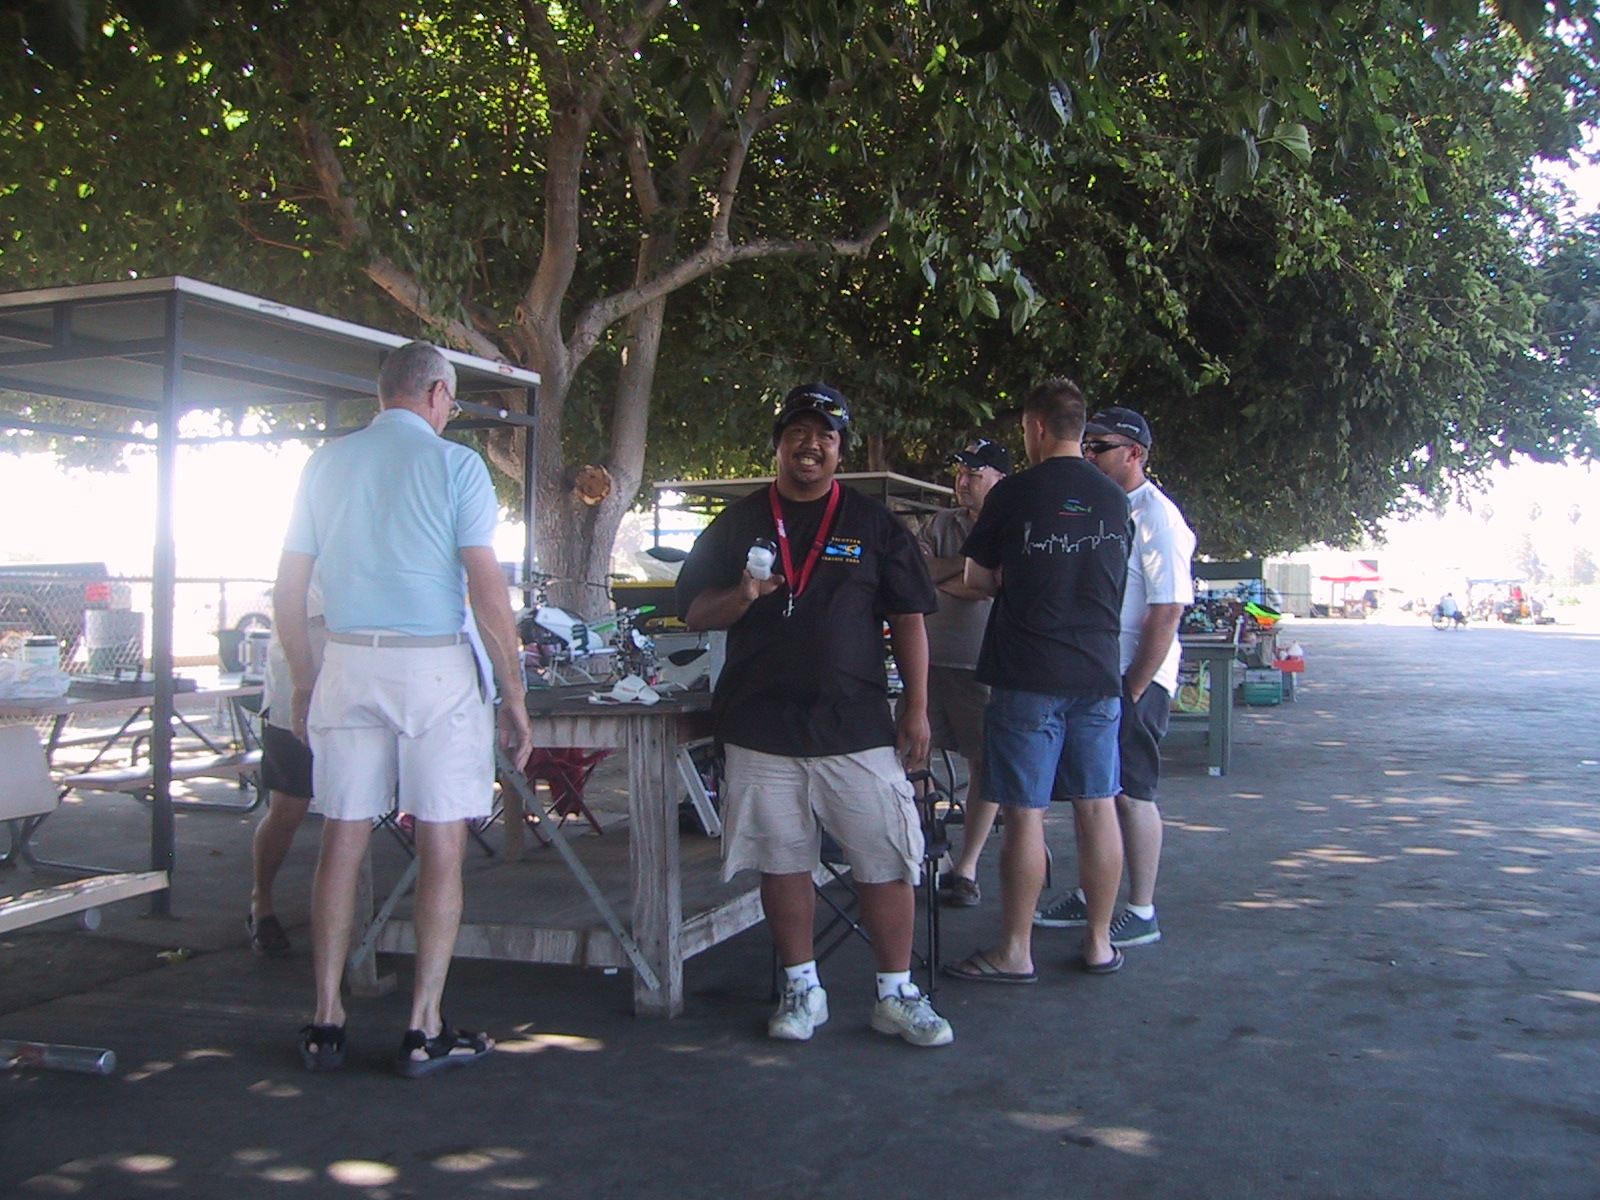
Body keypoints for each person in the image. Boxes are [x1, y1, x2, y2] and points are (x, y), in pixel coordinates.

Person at [275, 340, 534, 1077]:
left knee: (343, 834)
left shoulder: (325, 464)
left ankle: (326, 1018)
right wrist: (514, 694)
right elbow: (487, 590)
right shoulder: (457, 465)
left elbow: (288, 589)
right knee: (441, 840)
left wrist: (303, 678)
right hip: (433, 666)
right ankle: (423, 1026)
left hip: (347, 660)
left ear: (382, 392)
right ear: (437, 394)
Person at [677, 383, 953, 1047]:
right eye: (798, 432)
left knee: (887, 857)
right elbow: (693, 610)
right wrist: (742, 595)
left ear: (840, 449)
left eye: (826, 435)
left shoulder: (873, 523)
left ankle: (895, 993)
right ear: (778, 443)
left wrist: (916, 707)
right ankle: (802, 988)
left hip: (856, 727)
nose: (811, 444)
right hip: (761, 728)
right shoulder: (738, 522)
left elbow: (909, 619)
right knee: (782, 861)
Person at [942, 378, 1131, 984]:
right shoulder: (1114, 498)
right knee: (1097, 806)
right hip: (1097, 671)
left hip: (1027, 670)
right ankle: (1099, 943)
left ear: (1037, 428)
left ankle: (1015, 951)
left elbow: (977, 579)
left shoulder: (1014, 493)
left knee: (1025, 813)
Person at [1034, 406, 1195, 950]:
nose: (1087, 455)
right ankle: (1091, 892)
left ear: (1134, 453)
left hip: (1133, 678)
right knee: (1092, 793)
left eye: (1099, 447)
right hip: (1095, 675)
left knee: (1131, 794)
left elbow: (1167, 611)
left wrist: (1135, 687)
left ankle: (1141, 908)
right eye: (1085, 445)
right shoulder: (1100, 506)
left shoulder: (1157, 516)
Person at [918, 438, 1011, 908]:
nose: (963, 481)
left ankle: (967, 869)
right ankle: (931, 851)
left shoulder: (1012, 522)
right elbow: (915, 573)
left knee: (984, 767)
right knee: (909, 756)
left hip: (983, 668)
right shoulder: (940, 523)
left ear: (1000, 479)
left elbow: (998, 585)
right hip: (926, 664)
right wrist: (968, 568)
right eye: (961, 472)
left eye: (975, 473)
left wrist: (949, 580)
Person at [246, 589, 328, 957]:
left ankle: (343, 920)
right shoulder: (306, 560)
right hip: (294, 701)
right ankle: (261, 903)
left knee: (349, 815)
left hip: (358, 697)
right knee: (288, 809)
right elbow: (291, 610)